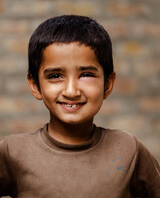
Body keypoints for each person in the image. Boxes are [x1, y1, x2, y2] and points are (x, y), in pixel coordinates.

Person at [0, 15, 160, 198]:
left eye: (85, 74)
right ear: (35, 85)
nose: (71, 91)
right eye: (55, 76)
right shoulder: (13, 151)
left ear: (107, 84)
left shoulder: (127, 148)